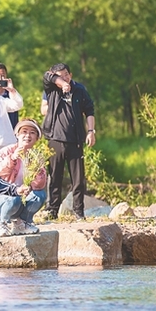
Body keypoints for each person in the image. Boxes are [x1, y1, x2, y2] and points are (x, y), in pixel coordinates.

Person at [41, 63, 96, 220]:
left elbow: (89, 110)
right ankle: (52, 210)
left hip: (75, 139)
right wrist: (61, 83)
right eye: (59, 75)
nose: (63, 78)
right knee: (54, 177)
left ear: (70, 75)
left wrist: (91, 131)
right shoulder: (51, 89)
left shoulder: (79, 89)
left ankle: (79, 211)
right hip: (55, 138)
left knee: (78, 179)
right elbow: (46, 76)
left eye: (66, 75)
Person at [0, 119, 47, 236]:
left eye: (32, 133)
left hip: (21, 201)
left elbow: (40, 185)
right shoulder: (5, 151)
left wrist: (35, 168)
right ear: (17, 135)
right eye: (24, 131)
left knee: (40, 195)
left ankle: (22, 223)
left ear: (37, 138)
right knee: (14, 197)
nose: (28, 135)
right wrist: (13, 158)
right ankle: (2, 223)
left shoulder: (36, 156)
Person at [0, 63, 20, 130]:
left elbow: (18, 106)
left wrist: (12, 91)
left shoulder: (11, 94)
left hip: (9, 134)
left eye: (3, 76)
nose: (0, 79)